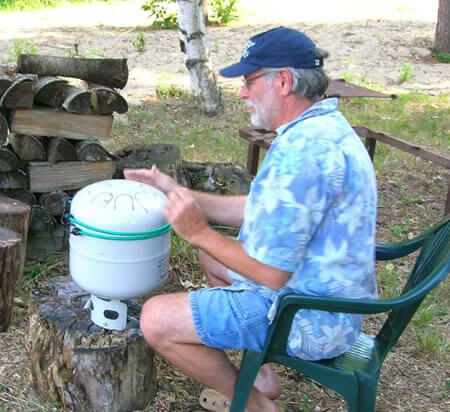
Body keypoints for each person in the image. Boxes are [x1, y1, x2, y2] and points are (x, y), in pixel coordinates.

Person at [124, 26, 377, 412]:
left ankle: (258, 406)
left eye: (249, 80)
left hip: (308, 315)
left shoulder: (305, 153)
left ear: (284, 82)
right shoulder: (318, 130)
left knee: (156, 319)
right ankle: (260, 376)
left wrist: (198, 232)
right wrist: (179, 192)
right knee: (215, 259)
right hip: (328, 297)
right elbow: (258, 207)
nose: (242, 92)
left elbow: (271, 275)